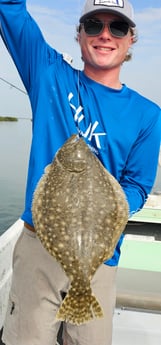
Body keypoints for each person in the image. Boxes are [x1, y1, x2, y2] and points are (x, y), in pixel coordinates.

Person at [0, 0, 161, 344]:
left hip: (99, 255)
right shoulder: (49, 74)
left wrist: (105, 204)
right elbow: (11, 11)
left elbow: (137, 186)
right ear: (79, 34)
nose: (104, 35)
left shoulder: (148, 115)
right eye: (93, 25)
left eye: (116, 27)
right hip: (39, 248)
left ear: (131, 38)